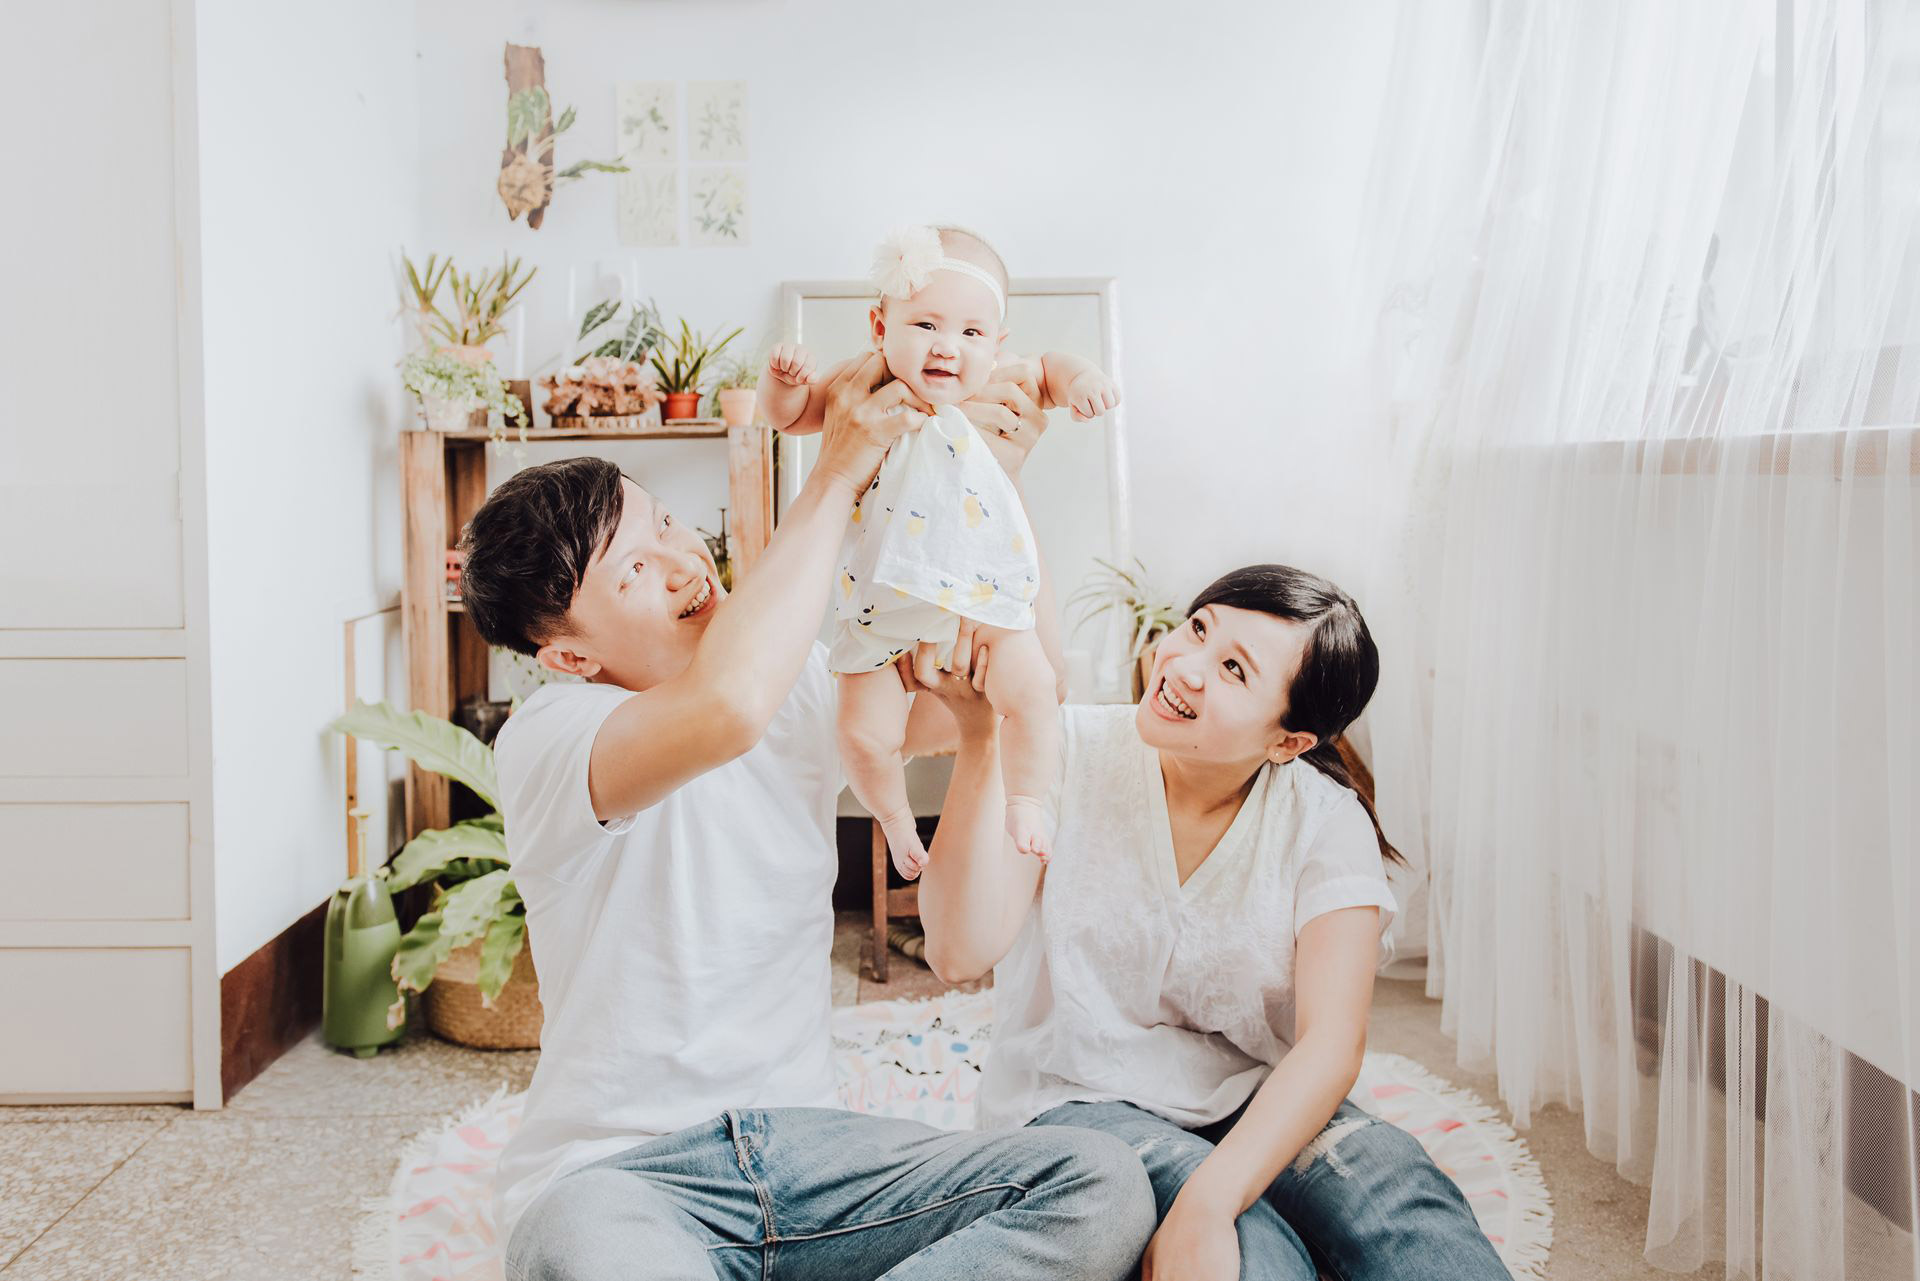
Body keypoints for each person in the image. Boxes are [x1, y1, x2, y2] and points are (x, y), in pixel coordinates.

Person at [460, 355, 1154, 1281]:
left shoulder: (804, 688)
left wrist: (1002, 487)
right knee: (590, 1250)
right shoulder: (552, 736)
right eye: (634, 572)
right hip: (625, 1173)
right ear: (570, 656)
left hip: (812, 1158)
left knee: (1098, 1183)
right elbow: (726, 707)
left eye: (664, 523)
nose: (682, 563)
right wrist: (835, 470)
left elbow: (1031, 687)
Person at [913, 564, 1511, 1281]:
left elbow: (1330, 1043)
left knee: (1396, 1189)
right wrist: (981, 735)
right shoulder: (1063, 747)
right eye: (1198, 629)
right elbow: (958, 952)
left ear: (1289, 742)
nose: (1185, 667)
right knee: (1259, 1255)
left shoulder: (1324, 821)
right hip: (1080, 1093)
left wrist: (1210, 1200)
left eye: (1233, 669)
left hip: (1254, 1095)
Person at [757, 223, 1120, 877]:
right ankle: (895, 819)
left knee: (1036, 690)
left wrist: (1082, 378)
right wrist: (783, 382)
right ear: (880, 327)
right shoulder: (866, 383)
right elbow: (792, 415)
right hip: (883, 608)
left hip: (980, 599)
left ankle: (1027, 801)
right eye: (925, 324)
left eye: (972, 332)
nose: (948, 347)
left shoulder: (999, 382)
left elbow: (1051, 369)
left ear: (996, 343)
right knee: (862, 733)